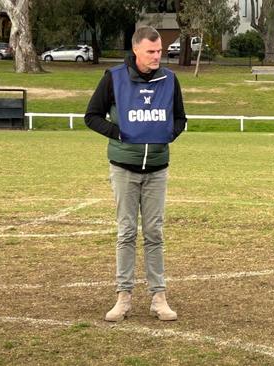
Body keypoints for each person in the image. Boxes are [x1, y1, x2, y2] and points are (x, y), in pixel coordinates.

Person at [85, 26, 187, 322]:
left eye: (160, 51)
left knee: (154, 233)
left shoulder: (170, 80)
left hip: (157, 169)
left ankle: (159, 297)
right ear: (136, 51)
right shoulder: (113, 78)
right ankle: (123, 296)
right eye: (151, 52)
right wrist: (120, 133)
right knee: (126, 232)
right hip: (123, 169)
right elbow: (91, 116)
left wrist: (169, 133)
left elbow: (180, 118)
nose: (158, 56)